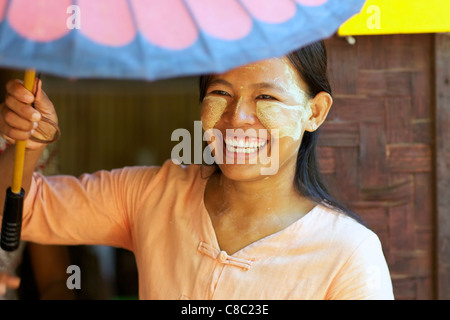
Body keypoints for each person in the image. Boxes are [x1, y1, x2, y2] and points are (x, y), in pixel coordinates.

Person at [0, 41, 394, 299]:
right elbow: (21, 212)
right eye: (220, 93)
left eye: (266, 97)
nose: (237, 119)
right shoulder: (151, 196)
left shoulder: (349, 255)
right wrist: (30, 142)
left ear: (315, 112)